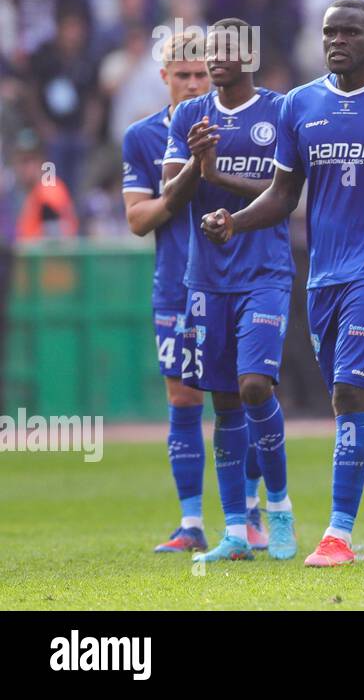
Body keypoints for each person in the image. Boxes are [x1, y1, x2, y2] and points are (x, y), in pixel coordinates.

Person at [201, 0, 364, 567]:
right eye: (329, 33)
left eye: (350, 32)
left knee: (348, 394)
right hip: (323, 277)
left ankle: (337, 534)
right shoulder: (300, 105)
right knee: (360, 405)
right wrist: (234, 221)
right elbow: (282, 195)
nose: (337, 41)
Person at [160, 19, 297, 562]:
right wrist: (198, 164)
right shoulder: (191, 115)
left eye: (227, 49)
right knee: (224, 402)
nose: (216, 57)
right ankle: (236, 531)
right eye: (210, 48)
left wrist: (231, 207)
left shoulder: (280, 111)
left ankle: (281, 509)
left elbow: (286, 193)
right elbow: (171, 197)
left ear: (252, 57)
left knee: (255, 386)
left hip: (264, 272)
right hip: (207, 280)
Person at [122, 32, 213, 552]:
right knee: (182, 398)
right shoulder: (141, 137)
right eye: (184, 76)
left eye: (202, 74)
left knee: (238, 394)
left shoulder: (237, 126)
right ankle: (192, 523)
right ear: (165, 78)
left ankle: (252, 519)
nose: (194, 84)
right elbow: (138, 220)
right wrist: (178, 191)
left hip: (229, 283)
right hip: (174, 285)